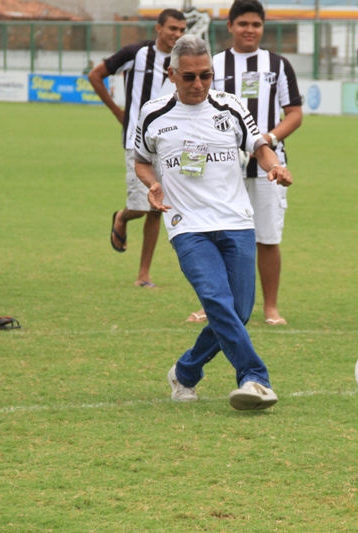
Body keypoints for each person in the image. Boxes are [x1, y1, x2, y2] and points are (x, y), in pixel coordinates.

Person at [135, 35, 292, 410]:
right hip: (186, 225)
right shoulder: (152, 115)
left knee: (237, 310)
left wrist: (275, 168)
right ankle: (255, 378)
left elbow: (258, 146)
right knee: (217, 300)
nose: (199, 84)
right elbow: (140, 160)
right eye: (189, 77)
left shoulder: (231, 107)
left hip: (236, 221)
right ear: (172, 75)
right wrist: (152, 183)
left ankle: (185, 372)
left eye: (206, 75)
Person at [186, 0, 302, 325]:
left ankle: (270, 308)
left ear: (263, 27)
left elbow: (294, 114)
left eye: (256, 24)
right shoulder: (214, 65)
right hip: (221, 168)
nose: (249, 30)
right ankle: (214, 306)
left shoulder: (278, 65)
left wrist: (267, 140)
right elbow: (197, 109)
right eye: (243, 24)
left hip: (268, 167)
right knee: (215, 236)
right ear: (230, 26)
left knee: (267, 237)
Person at [88, 9, 187, 288]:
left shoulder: (184, 60)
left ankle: (144, 275)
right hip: (137, 141)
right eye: (172, 29)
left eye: (182, 30)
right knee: (140, 207)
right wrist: (119, 113)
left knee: (158, 207)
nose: (177, 35)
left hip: (171, 144)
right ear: (158, 28)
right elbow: (96, 76)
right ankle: (122, 216)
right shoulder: (136, 53)